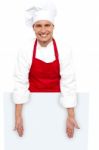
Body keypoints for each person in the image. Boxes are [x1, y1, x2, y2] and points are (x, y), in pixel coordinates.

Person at [13, 1, 80, 139]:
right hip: (31, 104)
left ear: (53, 26)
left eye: (47, 25)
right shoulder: (25, 49)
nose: (43, 30)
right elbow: (20, 82)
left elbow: (68, 82)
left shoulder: (64, 49)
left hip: (58, 105)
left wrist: (70, 115)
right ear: (33, 28)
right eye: (39, 25)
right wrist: (18, 116)